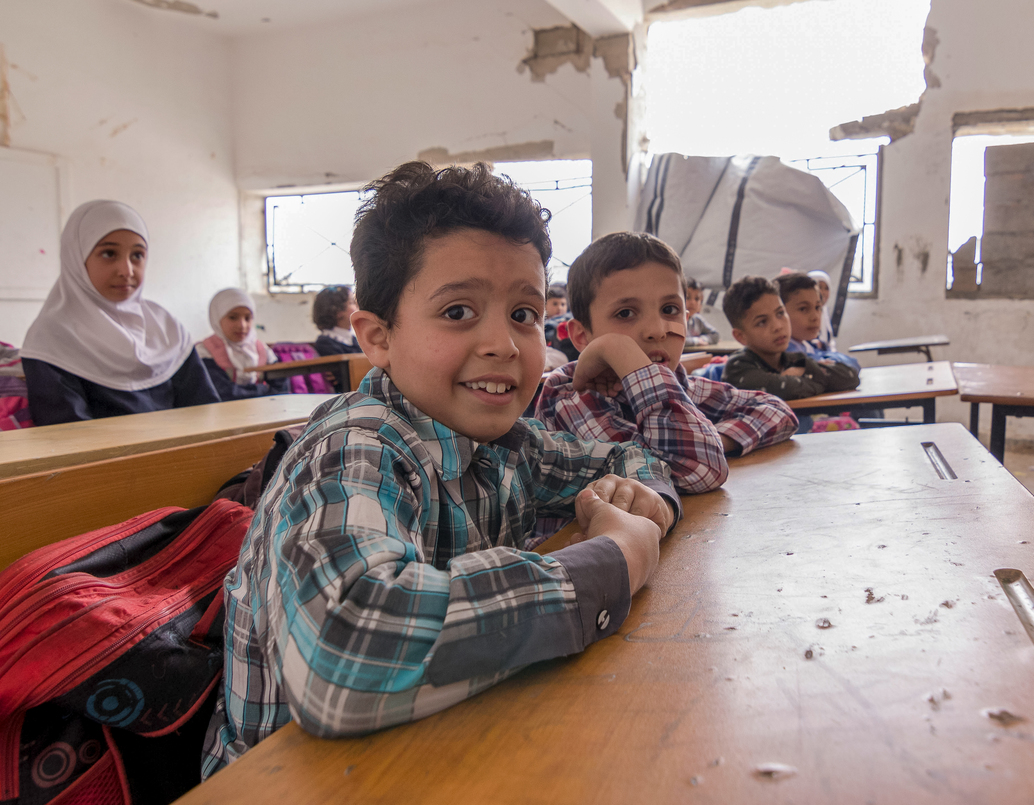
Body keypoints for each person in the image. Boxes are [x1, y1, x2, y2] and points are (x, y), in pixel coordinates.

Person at [201, 162, 680, 778]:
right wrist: (614, 559)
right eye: (458, 312)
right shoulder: (356, 448)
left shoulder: (510, 442)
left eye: (523, 314)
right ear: (377, 337)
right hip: (291, 783)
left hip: (436, 751)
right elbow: (342, 650)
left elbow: (629, 458)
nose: (503, 344)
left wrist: (642, 495)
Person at [535, 232, 798, 500]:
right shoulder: (571, 399)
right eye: (625, 313)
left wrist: (715, 439)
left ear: (686, 319)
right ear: (582, 336)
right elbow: (694, 468)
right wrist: (619, 351)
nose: (657, 330)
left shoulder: (687, 388)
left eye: (669, 310)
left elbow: (779, 412)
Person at [21, 200, 219, 425]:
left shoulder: (165, 328)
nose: (126, 271)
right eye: (108, 254)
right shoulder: (52, 338)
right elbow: (67, 440)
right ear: (76, 259)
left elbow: (205, 412)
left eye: (137, 255)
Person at [721, 275, 859, 401]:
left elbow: (850, 377)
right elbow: (788, 390)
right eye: (762, 322)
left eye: (780, 313)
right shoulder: (738, 367)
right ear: (741, 336)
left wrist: (805, 369)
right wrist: (817, 377)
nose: (778, 326)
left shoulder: (792, 359)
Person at [196, 288, 291, 401]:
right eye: (233, 317)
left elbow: (282, 389)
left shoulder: (261, 350)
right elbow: (224, 393)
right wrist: (264, 390)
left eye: (247, 318)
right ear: (217, 317)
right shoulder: (205, 352)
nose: (242, 325)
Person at [776, 273, 859, 370]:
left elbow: (853, 364)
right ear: (780, 313)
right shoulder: (785, 352)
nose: (815, 317)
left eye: (817, 307)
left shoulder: (804, 346)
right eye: (803, 309)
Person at [311, 285, 360, 355]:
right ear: (337, 311)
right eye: (351, 303)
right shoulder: (326, 344)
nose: (357, 307)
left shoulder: (353, 340)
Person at [804, 269, 837, 351]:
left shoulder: (824, 313)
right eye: (819, 287)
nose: (823, 292)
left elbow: (829, 343)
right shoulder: (803, 316)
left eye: (826, 288)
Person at [683, 276, 720, 347]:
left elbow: (715, 335)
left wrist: (703, 339)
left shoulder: (698, 319)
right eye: (687, 298)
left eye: (697, 299)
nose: (693, 302)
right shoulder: (676, 320)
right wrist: (696, 341)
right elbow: (676, 341)